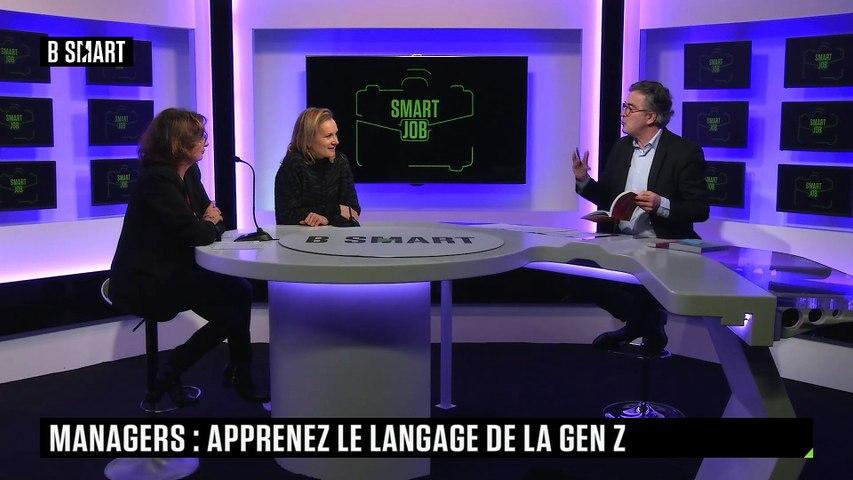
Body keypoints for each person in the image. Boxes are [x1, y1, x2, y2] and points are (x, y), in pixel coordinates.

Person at [109, 108, 269, 407]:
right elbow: (199, 232)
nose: (206, 142)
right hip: (145, 280)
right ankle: (172, 370)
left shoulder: (190, 173)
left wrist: (207, 223)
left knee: (241, 290)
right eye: (199, 136)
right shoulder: (156, 182)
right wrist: (207, 223)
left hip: (174, 269)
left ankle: (239, 370)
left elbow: (213, 219)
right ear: (178, 143)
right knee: (230, 314)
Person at [572, 80, 709, 355]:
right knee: (576, 271)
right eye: (624, 106)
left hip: (663, 246)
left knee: (644, 279)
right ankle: (648, 323)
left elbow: (699, 209)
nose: (623, 113)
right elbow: (608, 197)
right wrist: (584, 180)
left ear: (650, 117)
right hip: (620, 243)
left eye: (630, 108)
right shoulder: (621, 148)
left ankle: (640, 324)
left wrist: (661, 205)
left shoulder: (684, 152)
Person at [275, 107, 361, 227]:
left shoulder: (340, 161)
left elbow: (353, 210)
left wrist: (326, 218)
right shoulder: (293, 165)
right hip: (299, 236)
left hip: (337, 235)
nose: (336, 141)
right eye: (328, 136)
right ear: (308, 140)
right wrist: (334, 210)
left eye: (335, 134)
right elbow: (286, 215)